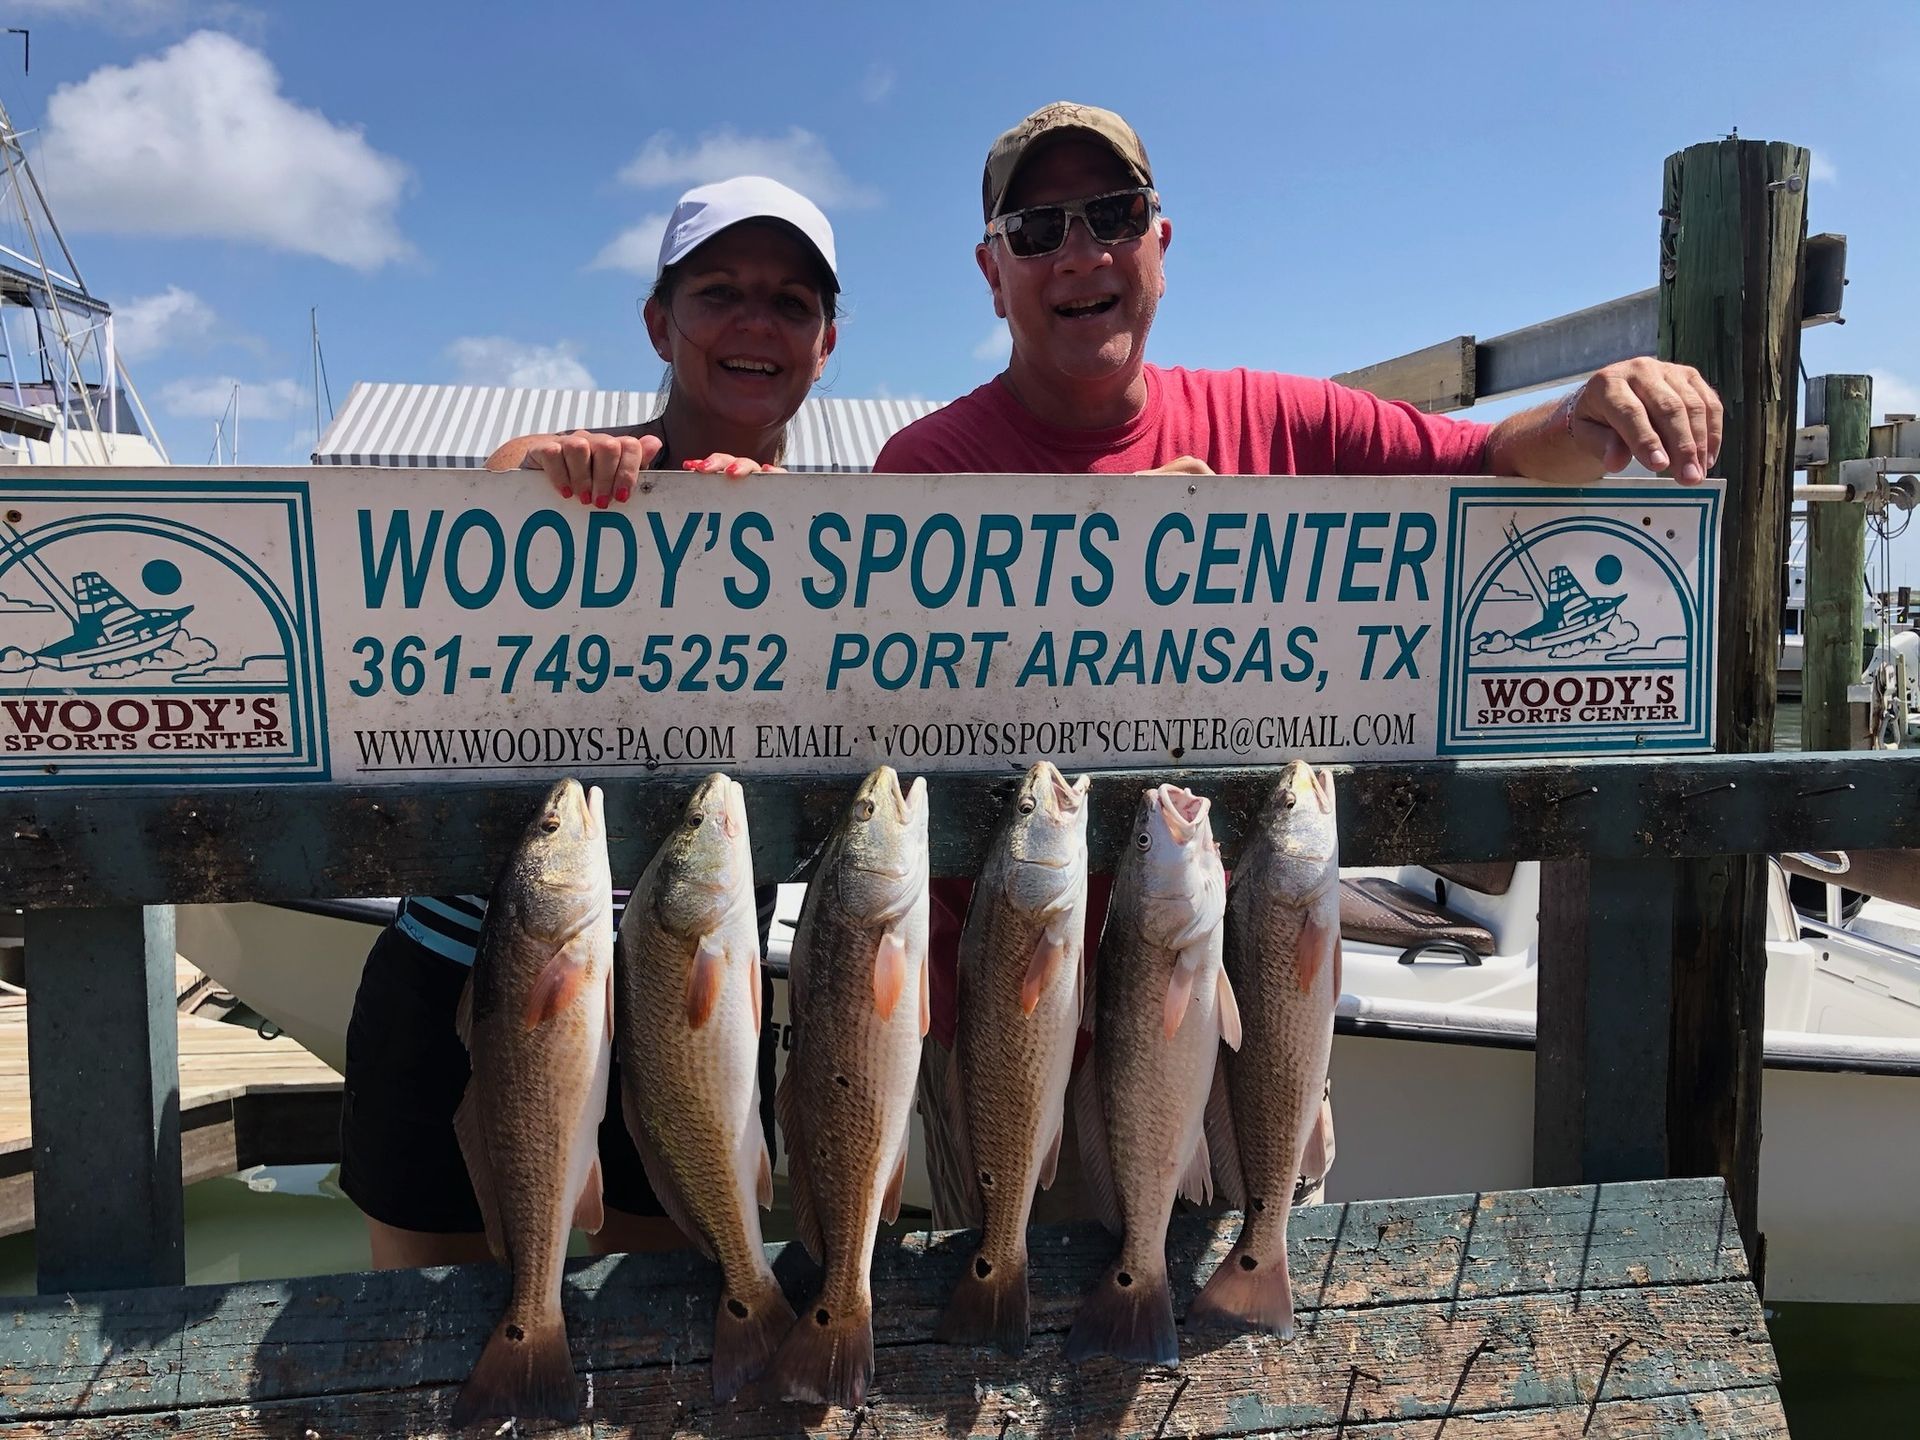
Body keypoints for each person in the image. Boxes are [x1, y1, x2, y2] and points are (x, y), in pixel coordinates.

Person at [873, 101, 1726, 1225]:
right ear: (994, 274)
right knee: (1013, 1357)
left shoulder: (1279, 421)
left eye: (1113, 215)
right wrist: (1085, 568)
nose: (1079, 252)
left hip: (1242, 993)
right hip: (1020, 1012)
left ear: (1160, 248)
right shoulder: (921, 470)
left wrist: (1591, 409)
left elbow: (1491, 465)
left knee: (1254, 1327)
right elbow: (889, 724)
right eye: (1037, 231)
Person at [339, 175, 840, 1269]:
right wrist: (559, 474)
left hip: (693, 994)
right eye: (720, 292)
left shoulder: (841, 542)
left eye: (791, 302)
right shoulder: (568, 471)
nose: (756, 322)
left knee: (671, 1368)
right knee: (428, 1358)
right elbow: (500, 478)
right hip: (479, 978)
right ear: (660, 322)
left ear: (826, 340)